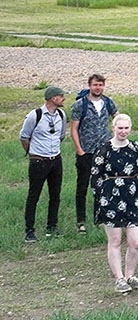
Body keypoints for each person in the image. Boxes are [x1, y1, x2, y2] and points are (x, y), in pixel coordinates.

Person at [90, 114, 138, 293]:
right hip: (110, 197)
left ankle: (130, 274)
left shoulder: (136, 147)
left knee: (135, 241)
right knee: (115, 240)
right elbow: (95, 175)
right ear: (113, 128)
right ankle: (119, 278)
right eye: (119, 128)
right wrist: (101, 199)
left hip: (132, 196)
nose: (123, 131)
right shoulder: (104, 148)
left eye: (126, 128)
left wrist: (134, 191)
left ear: (130, 128)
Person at [69, 74, 118, 236]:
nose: (98, 88)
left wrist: (114, 138)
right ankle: (81, 221)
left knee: (103, 185)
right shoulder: (80, 105)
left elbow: (117, 119)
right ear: (90, 85)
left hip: (104, 151)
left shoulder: (108, 102)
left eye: (101, 85)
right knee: (82, 186)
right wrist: (79, 150)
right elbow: (74, 129)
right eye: (95, 85)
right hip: (86, 151)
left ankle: (100, 218)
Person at [20, 86, 68, 243]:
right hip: (39, 161)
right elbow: (24, 137)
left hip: (56, 160)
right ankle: (29, 230)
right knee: (34, 195)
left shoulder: (61, 115)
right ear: (53, 98)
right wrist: (34, 153)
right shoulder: (35, 116)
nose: (63, 99)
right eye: (61, 96)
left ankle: (52, 226)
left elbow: (60, 136)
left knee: (55, 195)